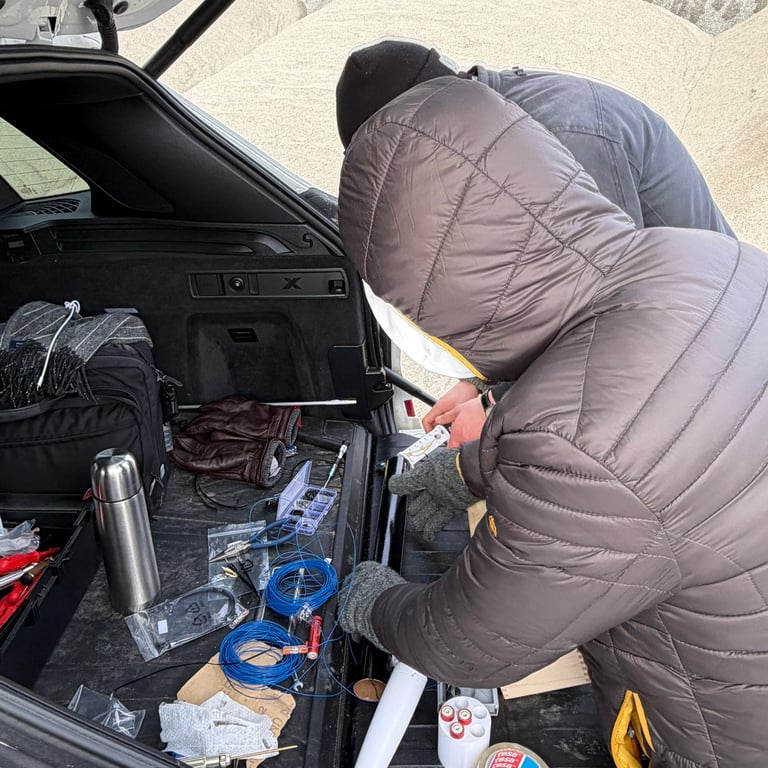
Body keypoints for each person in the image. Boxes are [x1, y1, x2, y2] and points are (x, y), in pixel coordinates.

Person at [336, 73, 768, 766]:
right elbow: (650, 449)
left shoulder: (586, 447)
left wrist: (378, 607)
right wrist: (465, 471)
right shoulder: (703, 257)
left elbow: (473, 642)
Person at [336, 40, 735, 448]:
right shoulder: (490, 133)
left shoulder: (559, 140)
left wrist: (493, 409)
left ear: (416, 129)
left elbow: (611, 327)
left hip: (712, 347)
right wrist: (477, 384)